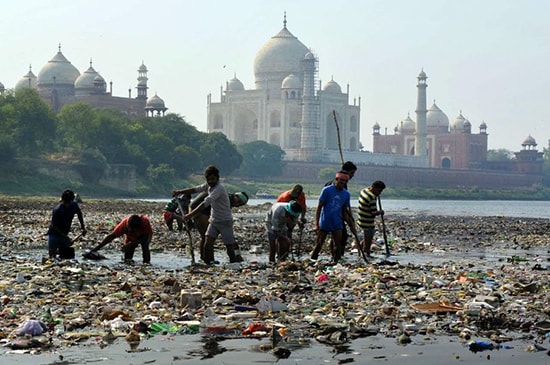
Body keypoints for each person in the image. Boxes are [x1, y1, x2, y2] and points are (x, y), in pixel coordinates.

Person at [172, 165, 242, 264]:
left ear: (217, 178)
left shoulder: (219, 188)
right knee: (207, 244)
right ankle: (208, 263)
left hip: (225, 221)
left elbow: (205, 203)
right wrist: (179, 192)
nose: (210, 182)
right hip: (214, 221)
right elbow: (195, 189)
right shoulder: (208, 186)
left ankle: (234, 264)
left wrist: (189, 215)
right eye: (208, 179)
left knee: (229, 245)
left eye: (213, 179)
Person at [311, 171, 357, 263]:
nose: (343, 183)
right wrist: (316, 223)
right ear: (336, 180)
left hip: (337, 222)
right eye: (341, 181)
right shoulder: (327, 190)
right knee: (319, 244)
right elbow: (319, 207)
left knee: (337, 245)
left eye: (345, 181)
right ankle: (312, 260)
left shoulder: (346, 194)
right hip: (325, 221)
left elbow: (344, 211)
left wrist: (350, 224)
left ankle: (336, 263)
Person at [188, 191, 249, 258]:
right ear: (235, 196)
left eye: (240, 204)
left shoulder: (228, 198)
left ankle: (205, 257)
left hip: (201, 209)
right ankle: (206, 258)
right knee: (206, 236)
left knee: (207, 237)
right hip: (200, 210)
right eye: (239, 201)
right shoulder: (226, 199)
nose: (237, 204)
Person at [323, 161, 357, 256]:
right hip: (336, 215)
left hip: (330, 215)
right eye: (352, 173)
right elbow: (342, 205)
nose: (352, 176)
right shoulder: (339, 185)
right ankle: (337, 256)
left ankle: (335, 256)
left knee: (333, 237)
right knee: (341, 237)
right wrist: (349, 219)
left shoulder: (333, 182)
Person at [47, 189, 87, 259]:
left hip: (65, 232)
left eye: (69, 202)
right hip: (54, 234)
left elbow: (79, 214)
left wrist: (83, 227)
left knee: (65, 255)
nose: (67, 204)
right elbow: (54, 226)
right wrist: (65, 237)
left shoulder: (74, 205)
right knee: (52, 256)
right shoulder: (57, 210)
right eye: (66, 202)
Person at [357, 180, 386, 257]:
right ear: (375, 188)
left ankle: (362, 250)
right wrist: (380, 212)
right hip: (367, 220)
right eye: (379, 190)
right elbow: (373, 213)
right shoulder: (372, 197)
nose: (380, 193)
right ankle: (366, 253)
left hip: (361, 217)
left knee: (366, 236)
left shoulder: (364, 190)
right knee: (369, 237)